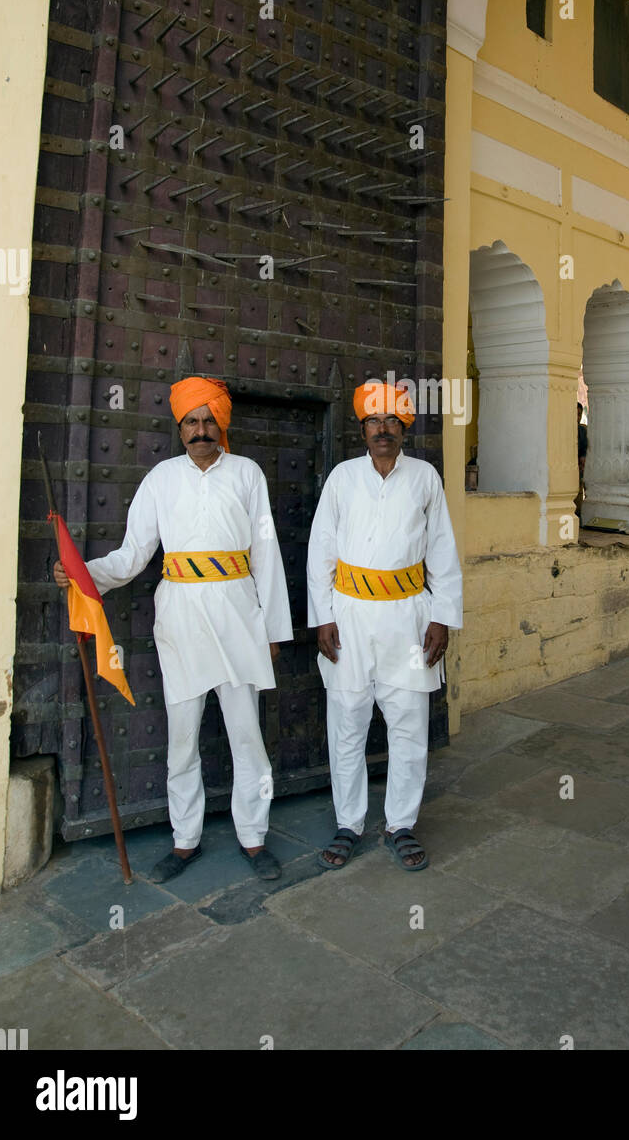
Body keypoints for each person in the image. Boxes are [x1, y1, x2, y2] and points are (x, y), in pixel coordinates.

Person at [53, 377, 292, 881]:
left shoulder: (247, 474)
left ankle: (254, 836)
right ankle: (185, 840)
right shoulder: (160, 479)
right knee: (182, 740)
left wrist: (272, 629)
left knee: (246, 736)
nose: (201, 430)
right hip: (181, 623)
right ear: (180, 427)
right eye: (191, 422)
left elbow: (267, 556)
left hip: (238, 619)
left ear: (221, 424)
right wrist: (83, 572)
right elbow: (133, 555)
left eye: (209, 421)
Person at [307, 381, 462, 871]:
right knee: (347, 723)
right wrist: (323, 615)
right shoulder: (342, 478)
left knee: (409, 725)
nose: (383, 430)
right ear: (362, 429)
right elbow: (320, 549)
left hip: (408, 619)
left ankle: (400, 824)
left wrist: (442, 615)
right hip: (349, 618)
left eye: (393, 421)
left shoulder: (424, 478)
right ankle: (348, 822)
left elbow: (441, 547)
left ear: (404, 428)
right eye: (374, 422)